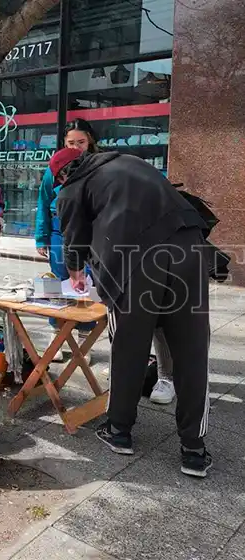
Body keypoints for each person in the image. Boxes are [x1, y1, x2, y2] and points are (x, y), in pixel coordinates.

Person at [51, 147, 212, 478]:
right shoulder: (129, 161)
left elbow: (72, 240)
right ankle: (194, 449)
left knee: (128, 346)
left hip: (135, 261)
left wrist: (76, 272)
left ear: (63, 175)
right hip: (189, 249)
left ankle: (119, 431)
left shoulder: (73, 187)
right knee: (192, 350)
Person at [34, 120, 100, 361]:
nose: (76, 147)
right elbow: (43, 202)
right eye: (71, 142)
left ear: (90, 141)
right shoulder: (54, 168)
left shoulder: (97, 166)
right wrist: (41, 238)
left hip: (91, 235)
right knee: (57, 285)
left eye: (81, 142)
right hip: (59, 234)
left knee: (86, 286)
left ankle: (84, 342)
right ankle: (56, 336)